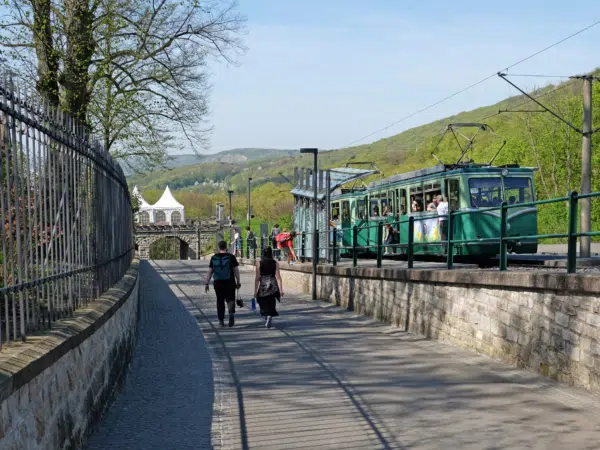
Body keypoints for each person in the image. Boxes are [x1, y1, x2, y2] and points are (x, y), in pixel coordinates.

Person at [205, 240, 241, 327]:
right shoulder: (231, 257)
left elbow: (210, 271)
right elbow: (236, 270)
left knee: (220, 300)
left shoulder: (214, 258)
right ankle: (231, 312)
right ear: (226, 247)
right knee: (230, 299)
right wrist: (238, 281)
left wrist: (206, 283)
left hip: (218, 282)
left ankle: (221, 320)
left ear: (219, 247)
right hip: (230, 281)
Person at [254, 247, 283, 328]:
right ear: (271, 253)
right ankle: (270, 314)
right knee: (271, 300)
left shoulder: (259, 263)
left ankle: (267, 315)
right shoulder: (275, 263)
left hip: (263, 284)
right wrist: (281, 290)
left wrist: (255, 291)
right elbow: (278, 277)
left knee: (261, 300)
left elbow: (257, 278)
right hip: (273, 284)